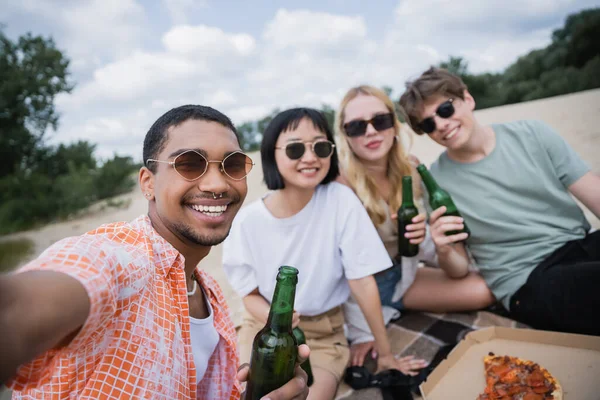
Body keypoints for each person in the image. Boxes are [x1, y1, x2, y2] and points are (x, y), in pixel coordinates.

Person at [0, 104, 310, 399]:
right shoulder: (121, 259)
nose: (217, 184)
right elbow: (19, 308)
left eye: (232, 165)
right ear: (148, 183)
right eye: (189, 164)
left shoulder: (209, 292)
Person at [222, 108, 426, 400]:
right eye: (294, 149)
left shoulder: (340, 200)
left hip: (324, 334)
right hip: (262, 328)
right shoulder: (248, 220)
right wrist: (278, 321)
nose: (310, 158)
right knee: (247, 393)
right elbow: (249, 294)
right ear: (271, 154)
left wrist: (386, 354)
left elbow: (362, 281)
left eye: (320, 146)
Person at [399, 67, 600, 336]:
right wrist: (444, 249)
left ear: (467, 99)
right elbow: (458, 271)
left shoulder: (533, 134)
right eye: (428, 124)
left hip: (581, 246)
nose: (441, 124)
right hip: (527, 279)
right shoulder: (436, 182)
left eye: (445, 109)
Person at [334, 85, 495, 365]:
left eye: (380, 121)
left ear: (394, 125)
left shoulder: (411, 168)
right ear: (345, 136)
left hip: (406, 274)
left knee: (483, 291)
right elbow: (341, 268)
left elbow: (429, 246)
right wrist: (362, 332)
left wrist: (428, 238)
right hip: (366, 288)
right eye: (357, 127)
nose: (371, 132)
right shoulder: (341, 183)